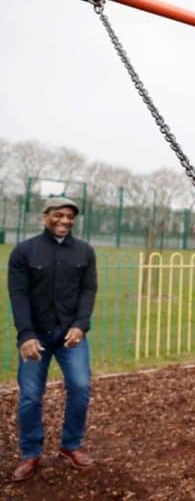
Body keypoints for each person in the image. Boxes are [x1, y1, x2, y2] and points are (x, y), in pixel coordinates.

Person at [8, 196, 97, 482]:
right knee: (31, 396)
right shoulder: (24, 251)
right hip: (36, 337)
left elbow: (88, 290)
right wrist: (25, 335)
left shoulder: (85, 251)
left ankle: (70, 446)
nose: (65, 221)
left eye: (70, 217)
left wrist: (81, 325)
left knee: (81, 387)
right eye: (58, 215)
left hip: (71, 336)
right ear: (45, 216)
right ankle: (31, 452)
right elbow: (18, 295)